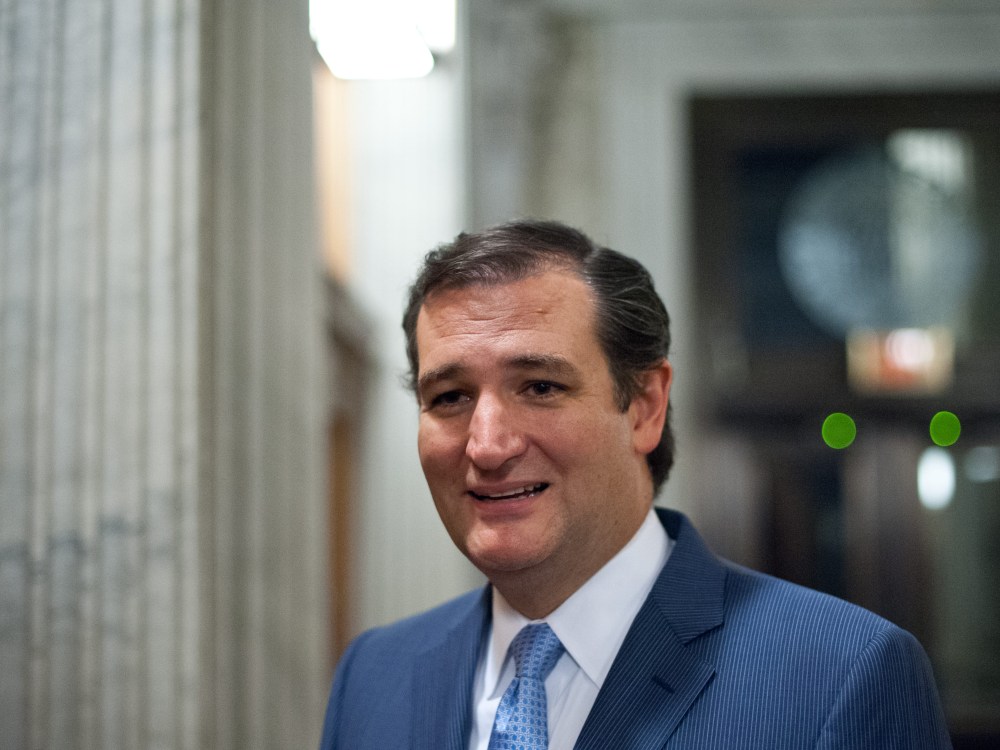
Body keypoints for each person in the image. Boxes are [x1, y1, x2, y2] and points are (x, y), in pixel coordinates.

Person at [319, 219, 951, 749]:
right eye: (450, 396)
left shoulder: (841, 678)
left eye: (541, 387)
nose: (487, 445)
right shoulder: (374, 676)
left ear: (644, 406)